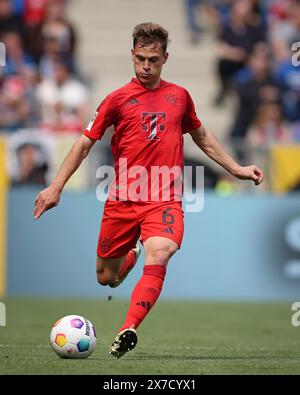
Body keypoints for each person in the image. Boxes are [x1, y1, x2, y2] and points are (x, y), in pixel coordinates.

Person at [33, 22, 264, 359]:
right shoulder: (116, 100)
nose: (146, 66)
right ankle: (128, 259)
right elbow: (84, 144)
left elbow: (201, 136)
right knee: (105, 278)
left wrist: (237, 169)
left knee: (161, 252)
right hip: (122, 200)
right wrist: (56, 186)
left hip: (164, 198)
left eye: (153, 60)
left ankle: (128, 328)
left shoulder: (179, 97)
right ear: (132, 55)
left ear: (165, 58)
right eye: (140, 58)